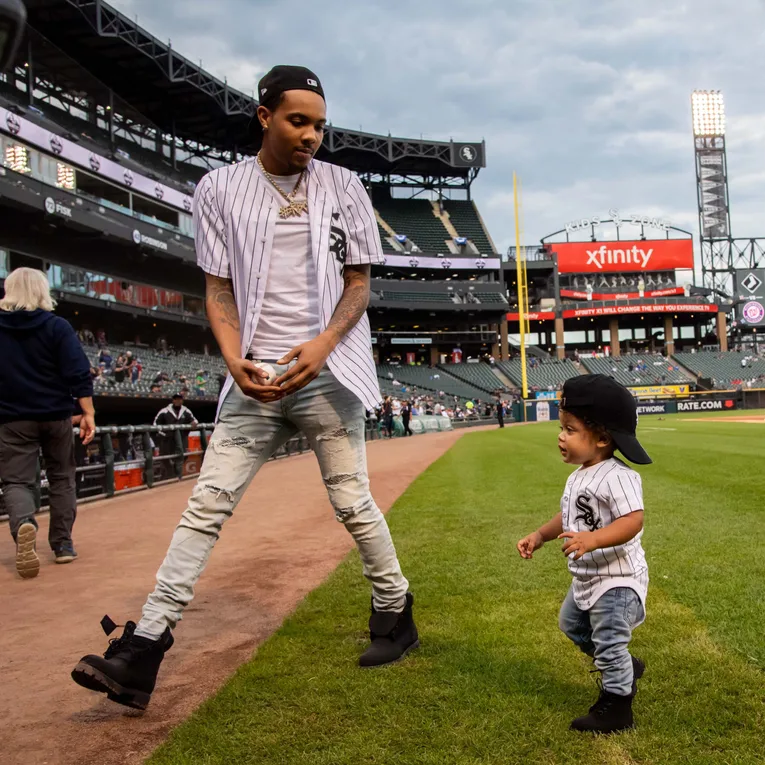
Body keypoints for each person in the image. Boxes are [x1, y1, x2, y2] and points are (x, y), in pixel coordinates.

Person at [72, 65, 417, 710]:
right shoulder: (218, 188)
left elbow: (361, 284)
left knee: (352, 503)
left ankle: (395, 609)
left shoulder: (345, 186)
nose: (312, 134)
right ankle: (145, 644)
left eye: (319, 123)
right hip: (254, 376)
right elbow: (217, 288)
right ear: (264, 116)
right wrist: (232, 360)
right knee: (207, 505)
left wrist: (322, 345)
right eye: (298, 120)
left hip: (329, 376)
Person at [516, 374, 651, 734]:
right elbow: (569, 515)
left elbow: (633, 520)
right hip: (589, 577)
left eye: (570, 429)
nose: (561, 436)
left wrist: (593, 539)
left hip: (618, 578)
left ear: (603, 438)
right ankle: (623, 664)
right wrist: (540, 535)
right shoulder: (580, 475)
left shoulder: (617, 475)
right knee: (571, 625)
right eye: (561, 428)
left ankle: (617, 706)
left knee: (607, 641)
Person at [0, 268, 96, 579]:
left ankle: (24, 523)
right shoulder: (57, 326)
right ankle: (63, 545)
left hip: (12, 417)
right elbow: (78, 371)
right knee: (62, 478)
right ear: (43, 291)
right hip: (56, 415)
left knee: (16, 482)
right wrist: (88, 412)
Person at [153, 394, 198, 479]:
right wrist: (164, 434)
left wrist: (194, 423)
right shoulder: (165, 411)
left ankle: (178, 477)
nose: (178, 401)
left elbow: (194, 420)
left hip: (182, 439)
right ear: (173, 400)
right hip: (167, 440)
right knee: (166, 459)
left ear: (182, 401)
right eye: (176, 399)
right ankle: (169, 478)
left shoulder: (186, 411)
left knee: (182, 456)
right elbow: (155, 424)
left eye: (179, 399)